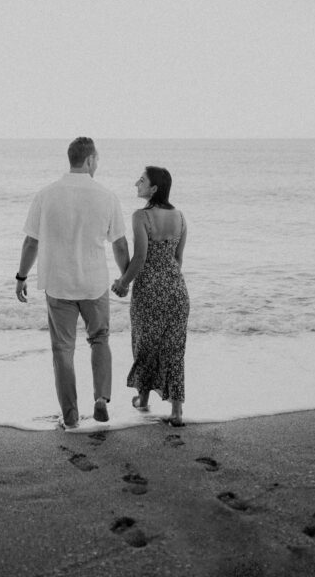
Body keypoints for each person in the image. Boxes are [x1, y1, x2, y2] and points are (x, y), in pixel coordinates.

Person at [15, 137, 130, 430]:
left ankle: (70, 416)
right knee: (100, 339)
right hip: (94, 284)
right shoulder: (106, 196)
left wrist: (21, 276)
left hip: (59, 284)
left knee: (62, 350)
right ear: (89, 160)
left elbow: (31, 241)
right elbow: (118, 244)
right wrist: (125, 277)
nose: (97, 164)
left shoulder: (46, 195)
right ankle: (101, 398)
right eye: (97, 160)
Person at [111, 165, 189, 426]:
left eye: (141, 180)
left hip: (148, 291)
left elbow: (141, 258)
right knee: (174, 349)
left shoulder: (141, 216)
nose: (136, 183)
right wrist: (167, 281)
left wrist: (123, 282)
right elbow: (178, 259)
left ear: (153, 188)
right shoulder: (180, 217)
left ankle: (143, 400)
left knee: (144, 344)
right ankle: (177, 411)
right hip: (177, 290)